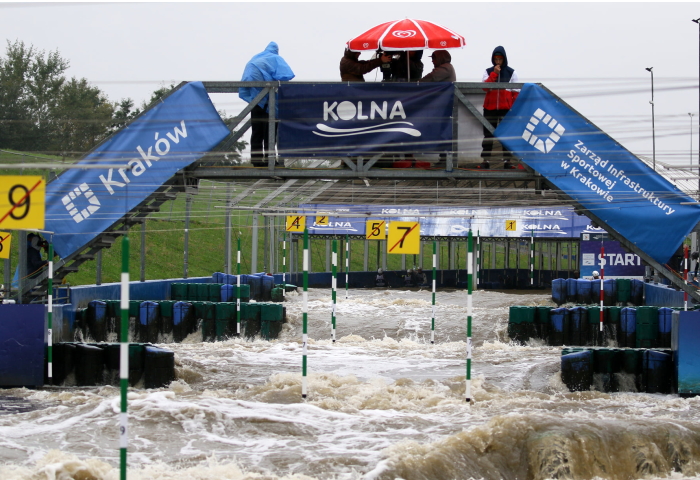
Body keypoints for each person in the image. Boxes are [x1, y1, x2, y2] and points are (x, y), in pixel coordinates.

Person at [239, 42, 295, 167]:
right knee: (270, 131)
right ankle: (270, 159)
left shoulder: (257, 57)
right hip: (267, 99)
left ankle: (256, 160)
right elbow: (286, 75)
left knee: (257, 129)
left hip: (255, 96)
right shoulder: (275, 58)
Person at [481, 46, 520, 169]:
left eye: (500, 59)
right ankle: (485, 161)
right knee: (488, 135)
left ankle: (507, 161)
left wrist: (512, 108)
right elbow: (485, 87)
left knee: (506, 135)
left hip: (505, 108)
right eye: (496, 58)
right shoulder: (487, 71)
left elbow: (516, 92)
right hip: (490, 107)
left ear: (504, 59)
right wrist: (494, 74)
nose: (498, 61)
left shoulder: (511, 72)